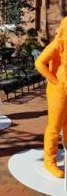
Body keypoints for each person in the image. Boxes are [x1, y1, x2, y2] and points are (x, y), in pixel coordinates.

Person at [35, 16, 67, 178]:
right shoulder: (57, 44)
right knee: (55, 127)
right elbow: (39, 63)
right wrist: (54, 81)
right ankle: (50, 160)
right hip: (58, 90)